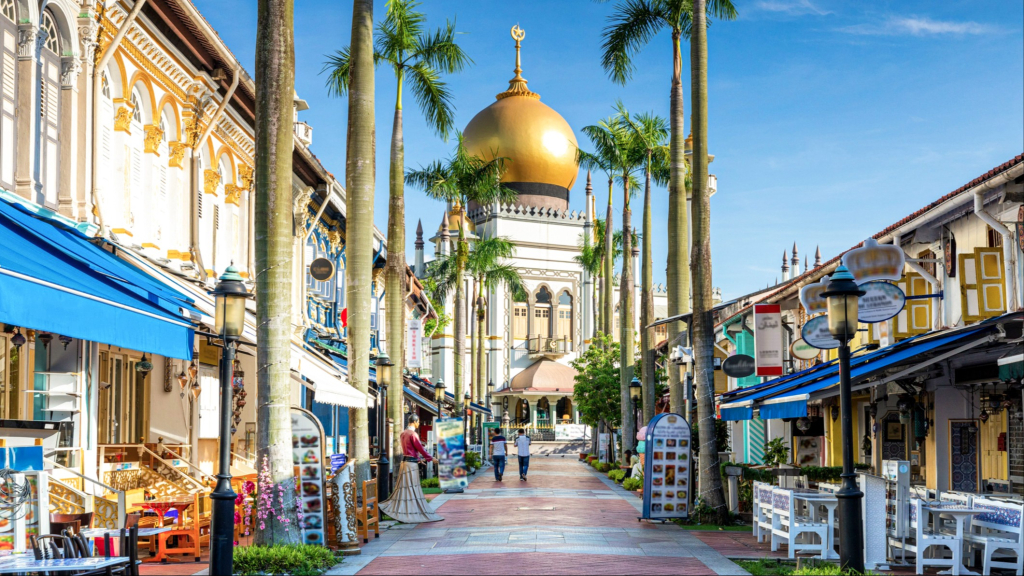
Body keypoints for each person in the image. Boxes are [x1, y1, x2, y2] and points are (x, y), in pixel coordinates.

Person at [379, 414, 443, 523]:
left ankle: (404, 512)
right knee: (412, 489)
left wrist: (419, 459)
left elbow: (410, 450)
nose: (418, 424)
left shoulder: (403, 433)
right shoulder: (413, 434)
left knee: (405, 489)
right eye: (418, 422)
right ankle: (410, 513)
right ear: (415, 421)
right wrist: (431, 458)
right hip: (411, 466)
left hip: (405, 463)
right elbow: (420, 448)